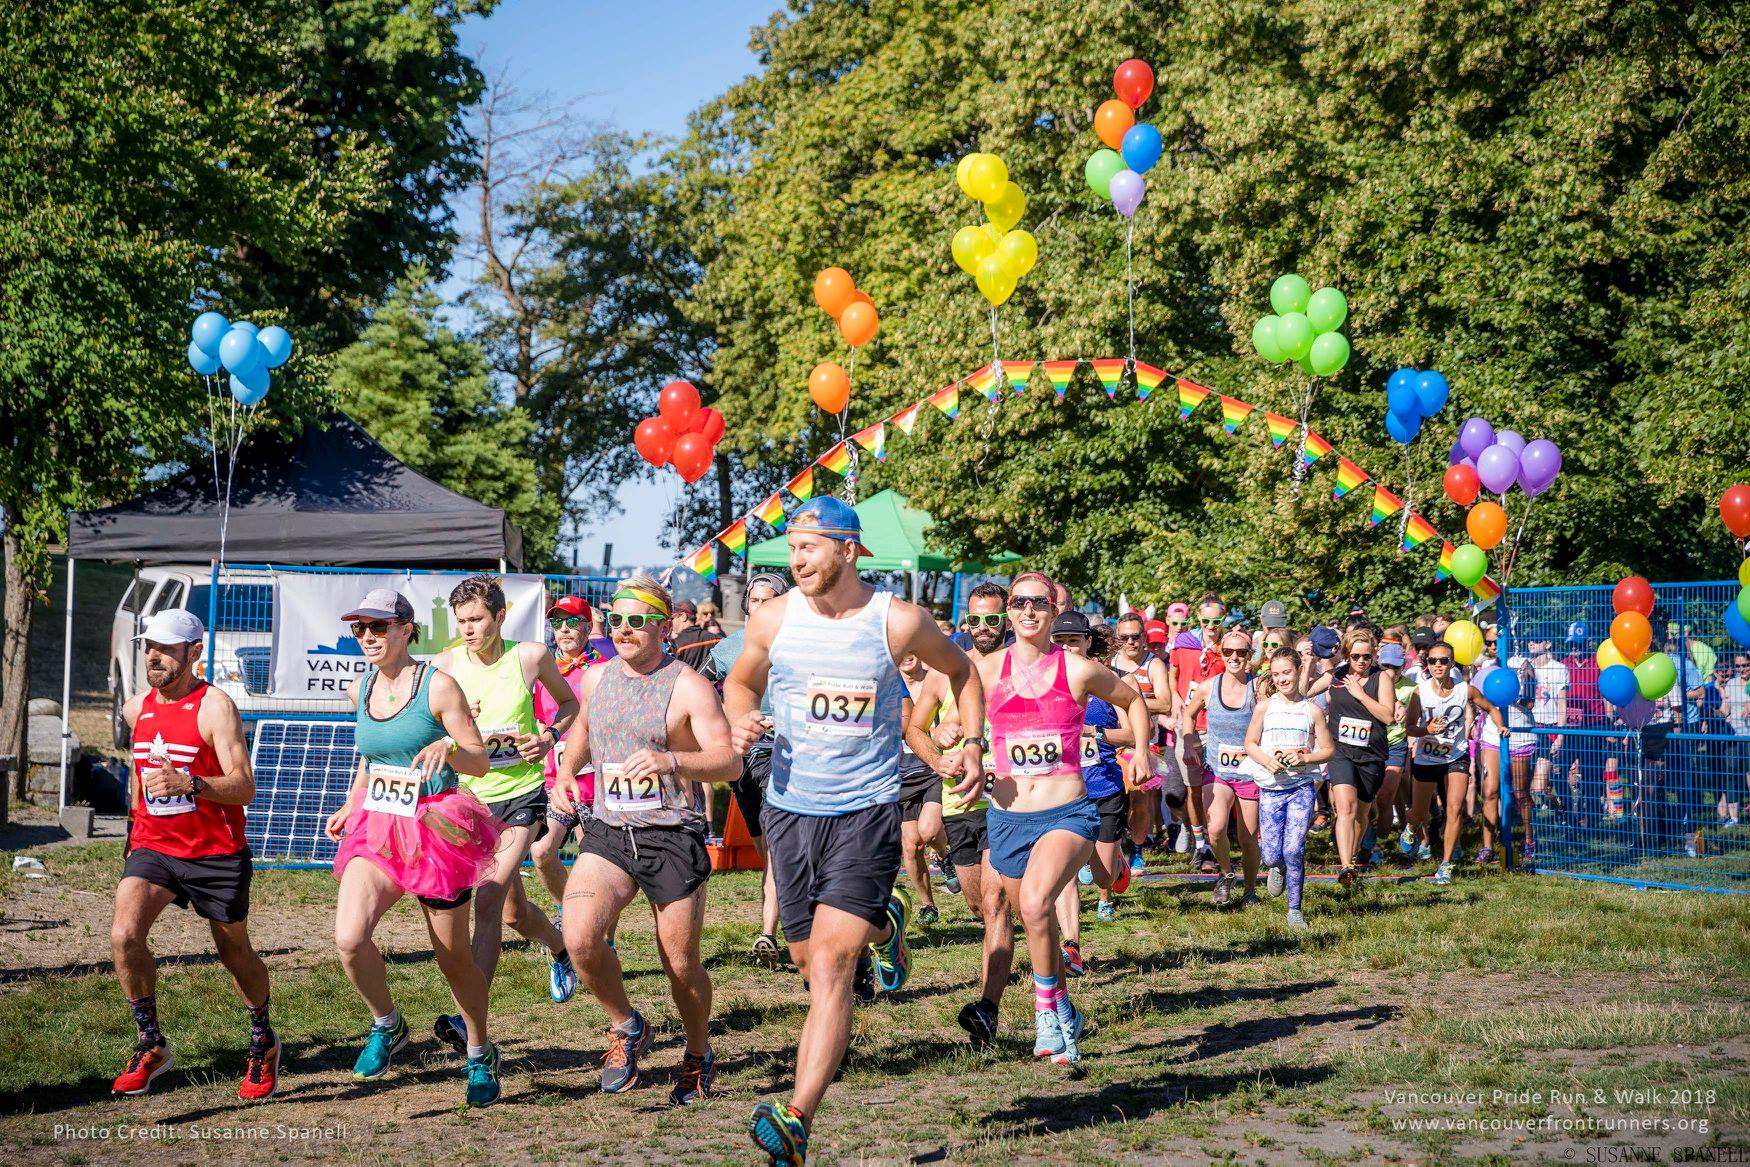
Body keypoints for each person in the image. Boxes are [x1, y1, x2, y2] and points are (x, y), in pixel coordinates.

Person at [724, 497, 984, 1167]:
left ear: (850, 549)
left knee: (833, 968)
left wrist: (974, 743)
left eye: (809, 545)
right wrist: (740, 718)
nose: (797, 558)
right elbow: (739, 683)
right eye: (792, 546)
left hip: (866, 809)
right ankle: (885, 922)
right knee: (810, 963)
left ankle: (797, 1115)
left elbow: (963, 670)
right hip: (789, 807)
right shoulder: (773, 618)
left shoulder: (897, 621)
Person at [549, 575, 742, 1102]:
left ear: (661, 625)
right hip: (610, 831)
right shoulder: (595, 678)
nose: (626, 630)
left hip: (671, 836)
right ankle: (627, 1025)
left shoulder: (688, 686)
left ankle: (698, 1053)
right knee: (580, 937)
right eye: (617, 622)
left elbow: (729, 761)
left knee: (680, 966)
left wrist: (671, 759)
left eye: (638, 621)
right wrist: (567, 771)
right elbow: (583, 735)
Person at [323, 589, 505, 1106]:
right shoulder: (362, 687)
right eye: (360, 629)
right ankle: (387, 1023)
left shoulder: (438, 686)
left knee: (453, 960)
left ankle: (478, 1051)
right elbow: (372, 759)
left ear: (406, 628)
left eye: (378, 628)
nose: (367, 638)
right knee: (350, 938)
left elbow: (479, 761)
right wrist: (351, 801)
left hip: (437, 828)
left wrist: (447, 746)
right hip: (379, 824)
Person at [972, 571, 1151, 1068]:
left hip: (1068, 811)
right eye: (1019, 602)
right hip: (1008, 817)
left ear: (1053, 611)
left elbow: (1133, 701)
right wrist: (954, 743)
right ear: (1007, 611)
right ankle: (1065, 1004)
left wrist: (1141, 752)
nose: (1028, 611)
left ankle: (1046, 1015)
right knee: (1037, 918)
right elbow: (939, 717)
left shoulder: (1077, 669)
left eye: (1039, 603)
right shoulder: (985, 671)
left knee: (1033, 901)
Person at [110, 609, 277, 1100]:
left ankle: (263, 1042)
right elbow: (140, 777)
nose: (153, 656)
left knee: (234, 951)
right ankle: (151, 1044)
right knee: (124, 934)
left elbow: (245, 786)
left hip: (215, 852)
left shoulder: (215, 707)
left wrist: (192, 784)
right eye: (148, 646)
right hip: (154, 846)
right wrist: (133, 829)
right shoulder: (136, 708)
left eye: (165, 648)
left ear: (195, 652)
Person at [428, 575, 580, 1052]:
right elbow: (427, 724)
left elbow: (573, 705)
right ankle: (561, 948)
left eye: (477, 620)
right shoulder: (444, 666)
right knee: (514, 913)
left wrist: (549, 737)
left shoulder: (530, 656)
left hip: (522, 794)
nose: (469, 630)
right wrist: (452, 716)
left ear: (499, 616)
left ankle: (467, 1015)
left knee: (489, 899)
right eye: (462, 622)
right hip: (469, 799)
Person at [905, 581, 1015, 1050]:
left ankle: (987, 1008)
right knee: (976, 905)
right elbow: (915, 728)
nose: (985, 628)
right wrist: (937, 756)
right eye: (977, 620)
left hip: (1007, 799)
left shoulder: (1020, 669)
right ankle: (1045, 959)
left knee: (995, 904)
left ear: (1005, 621)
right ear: (966, 622)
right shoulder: (944, 672)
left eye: (994, 619)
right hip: (957, 802)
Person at [709, 572, 789, 965]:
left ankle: (767, 932)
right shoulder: (728, 649)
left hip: (785, 752)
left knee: (775, 842)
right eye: (754, 601)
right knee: (763, 844)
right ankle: (787, 908)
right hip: (744, 756)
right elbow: (696, 686)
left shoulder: (799, 643)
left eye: (769, 599)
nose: (760, 607)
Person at [1053, 611, 1134, 947]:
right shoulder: (1045, 684)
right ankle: (1071, 943)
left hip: (1104, 786)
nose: (1068, 648)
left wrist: (1093, 732)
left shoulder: (1108, 682)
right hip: (1064, 790)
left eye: (1074, 641)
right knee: (1065, 873)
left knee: (1103, 875)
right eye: (1061, 642)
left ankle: (1117, 865)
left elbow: (1130, 734)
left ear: (1088, 642)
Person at [1242, 645, 1334, 928]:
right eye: (1277, 674)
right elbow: (1250, 743)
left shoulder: (1312, 711)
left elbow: (1328, 749)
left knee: (1294, 849)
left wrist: (1305, 757)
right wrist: (1266, 761)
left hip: (1300, 788)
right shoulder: (1264, 707)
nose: (1282, 679)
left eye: (1287, 673)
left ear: (1298, 671)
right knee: (1271, 854)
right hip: (1270, 788)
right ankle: (1277, 867)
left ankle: (1295, 909)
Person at [1404, 639, 1506, 884]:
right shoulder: (1420, 692)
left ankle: (1446, 865)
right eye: (1432, 661)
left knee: (1454, 808)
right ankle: (1410, 829)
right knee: (1418, 812)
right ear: (1427, 664)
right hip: (1427, 757)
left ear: (1451, 663)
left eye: (1443, 660)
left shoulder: (1466, 690)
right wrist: (1425, 728)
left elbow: (1491, 708)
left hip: (1455, 755)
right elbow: (1409, 727)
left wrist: (1501, 725)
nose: (1438, 665)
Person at [529, 595, 604, 912]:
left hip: (595, 781)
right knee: (542, 852)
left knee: (599, 864)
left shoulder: (604, 669)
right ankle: (570, 911)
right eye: (557, 622)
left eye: (572, 621)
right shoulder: (543, 673)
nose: (564, 629)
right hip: (555, 782)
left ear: (588, 627)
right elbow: (535, 719)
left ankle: (606, 941)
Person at [1311, 627, 1398, 887]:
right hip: (1341, 752)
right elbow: (1303, 691)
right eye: (1356, 656)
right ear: (1347, 655)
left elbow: (1387, 716)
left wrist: (1360, 695)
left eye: (1367, 656)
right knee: (1345, 808)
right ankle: (1346, 866)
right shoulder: (1336, 676)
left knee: (1362, 813)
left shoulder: (1381, 678)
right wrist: (1310, 662)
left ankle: (1354, 853)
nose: (1361, 661)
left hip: (1371, 754)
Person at [1182, 629, 1262, 905]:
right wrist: (1189, 741)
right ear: (1221, 654)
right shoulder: (1208, 687)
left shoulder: (1259, 687)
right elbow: (1188, 714)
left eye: (1241, 652)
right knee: (1214, 829)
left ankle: (1250, 889)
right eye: (1228, 652)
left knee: (1248, 837)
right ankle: (1227, 874)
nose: (1235, 657)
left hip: (1250, 771)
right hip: (1217, 769)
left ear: (1250, 655)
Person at [1109, 612, 1174, 875]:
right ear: (1117, 639)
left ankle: (1136, 851)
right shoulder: (1110, 663)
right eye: (1124, 638)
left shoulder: (1154, 664)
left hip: (1144, 743)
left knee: (1139, 798)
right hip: (1112, 739)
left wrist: (1129, 700)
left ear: (1144, 637)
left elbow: (1166, 703)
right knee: (1111, 798)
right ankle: (1108, 852)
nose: (1130, 642)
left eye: (1135, 637)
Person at [1172, 595, 1227, 871]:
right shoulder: (1184, 644)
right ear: (1198, 619)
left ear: (1223, 620)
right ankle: (1199, 843)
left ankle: (1217, 843)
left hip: (1217, 727)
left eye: (1216, 621)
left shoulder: (1229, 649)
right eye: (1206, 621)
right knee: (1193, 788)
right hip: (1189, 725)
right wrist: (1173, 698)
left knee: (1214, 788)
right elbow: (1173, 672)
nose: (1211, 626)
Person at [898, 651, 951, 924]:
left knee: (929, 831)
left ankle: (944, 855)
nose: (907, 654)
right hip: (901, 774)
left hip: (932, 769)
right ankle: (927, 904)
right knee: (911, 846)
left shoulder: (936, 680)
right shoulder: (888, 682)